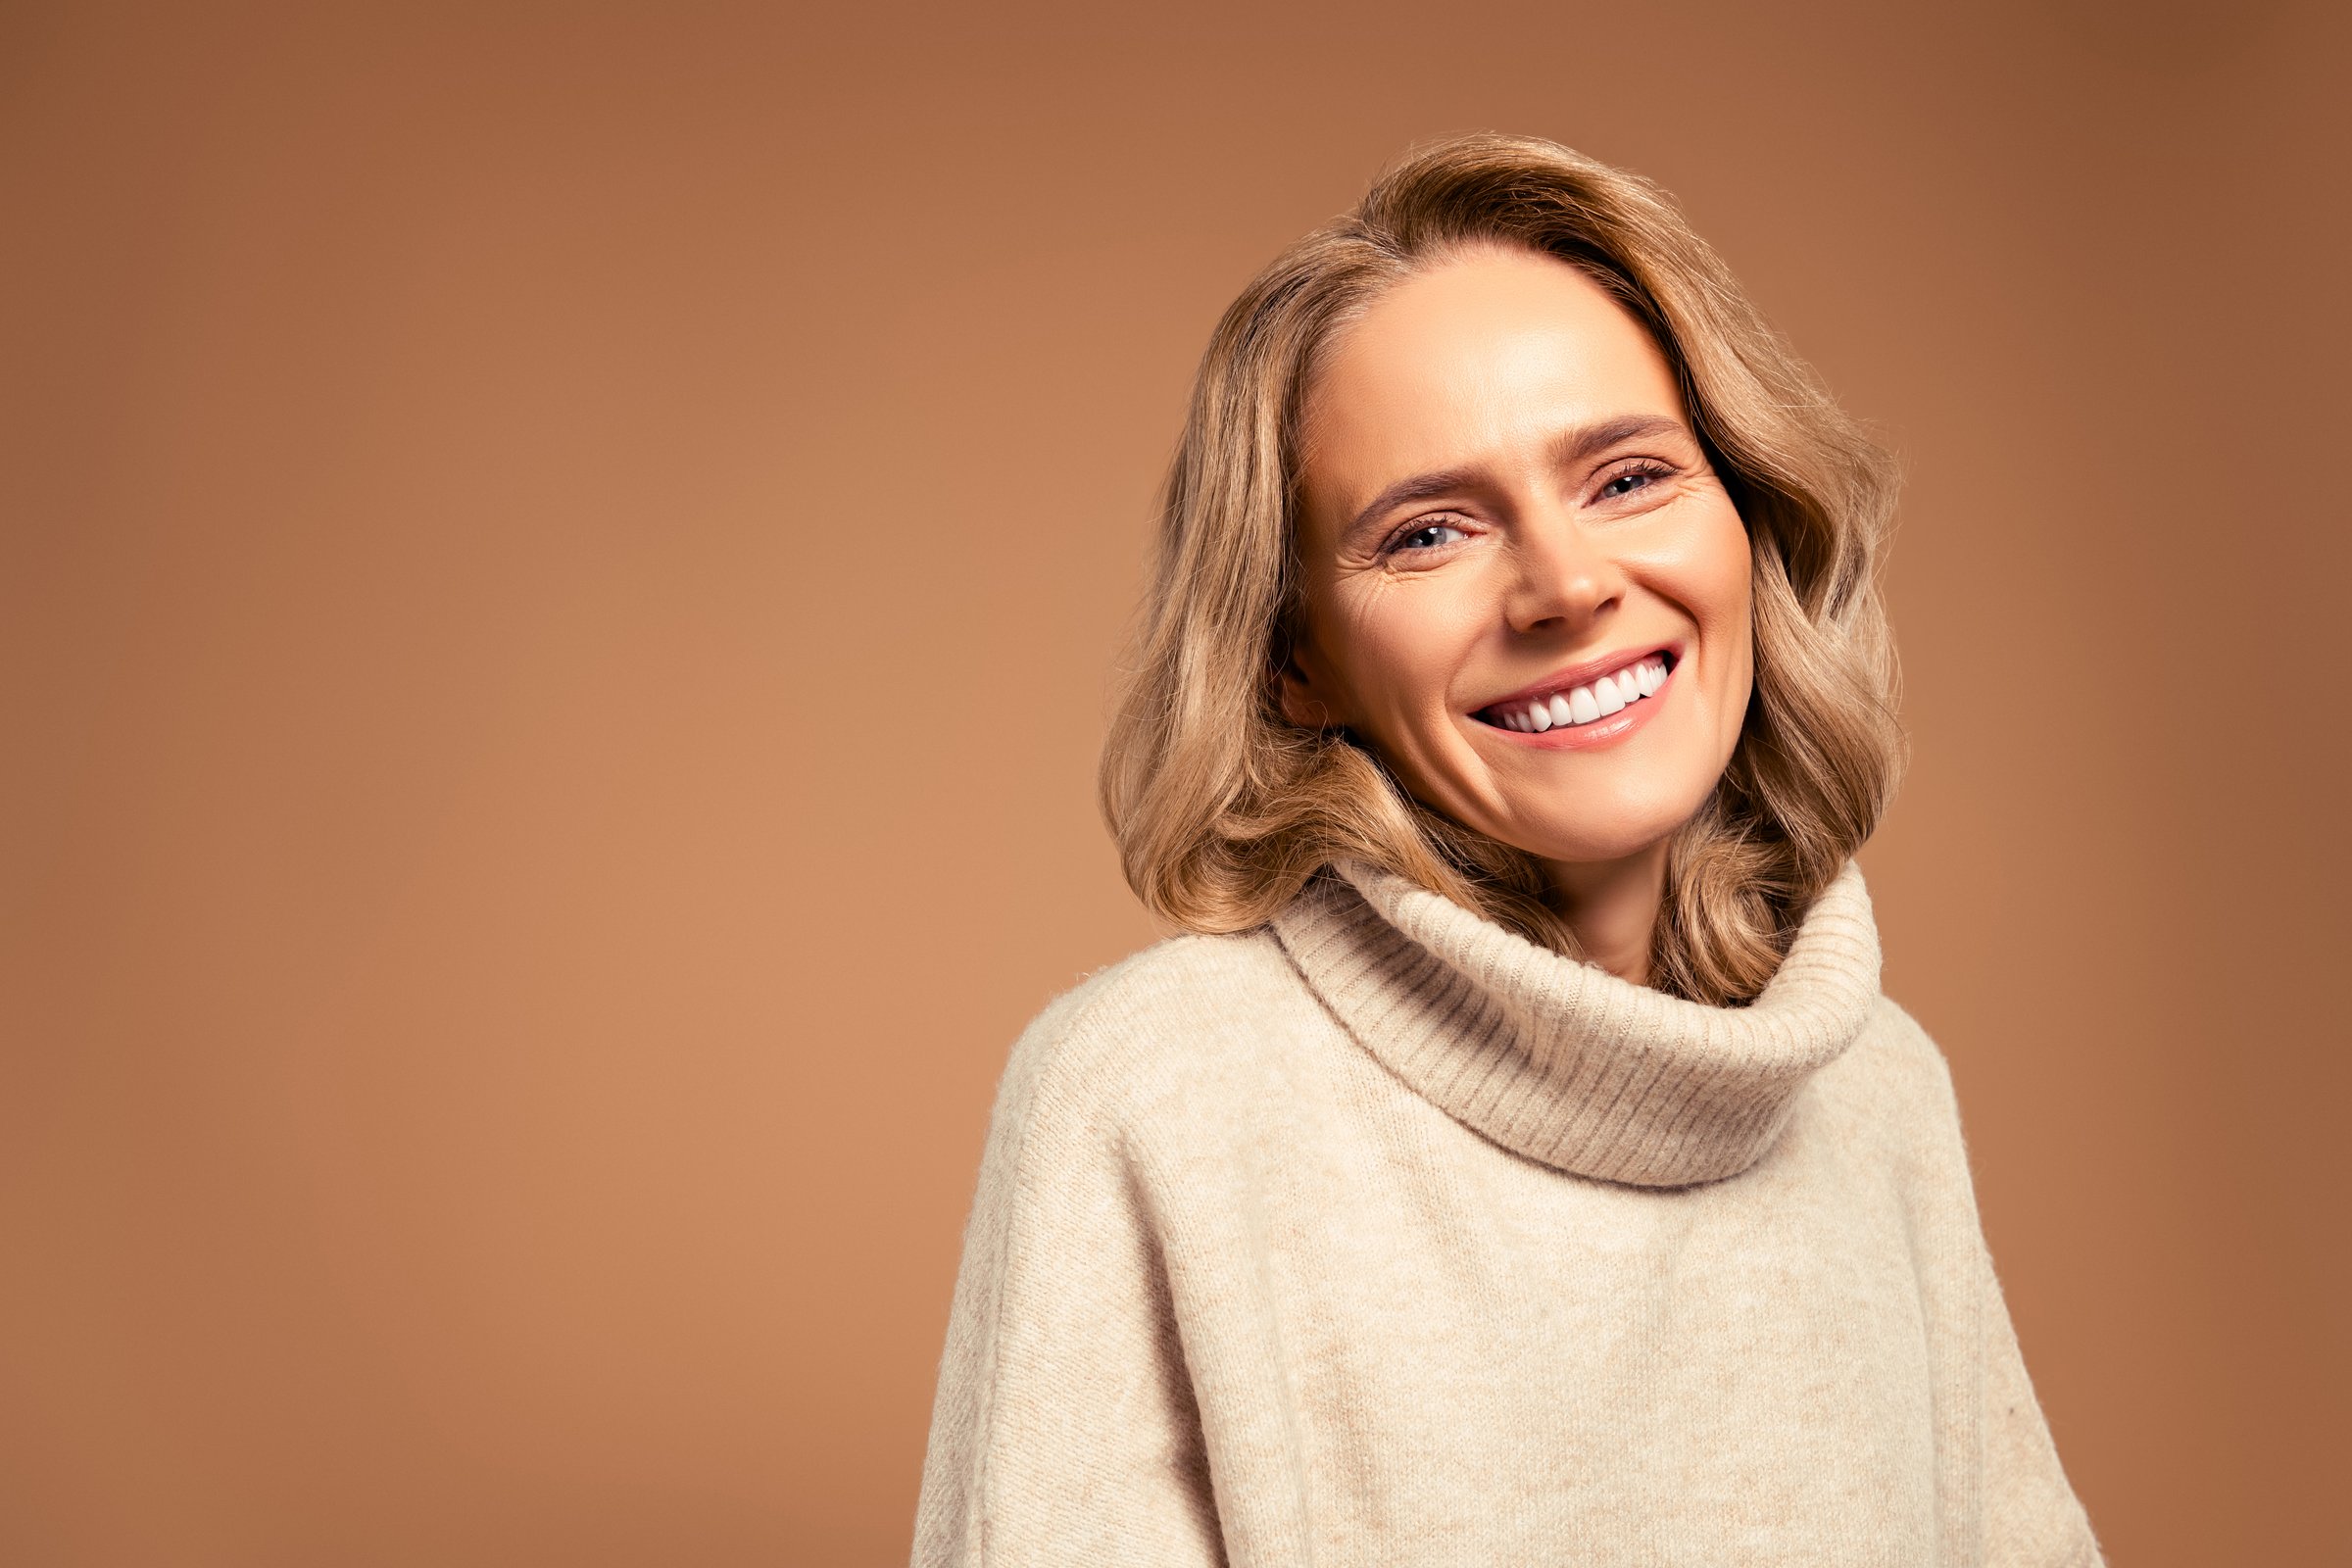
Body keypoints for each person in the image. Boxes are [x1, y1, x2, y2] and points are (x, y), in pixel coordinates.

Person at [910, 133, 2103, 1565]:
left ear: (1750, 519)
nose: (1567, 585)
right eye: (1428, 533)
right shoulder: (1148, 1103)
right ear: (1299, 665)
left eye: (1627, 477)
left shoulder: (1879, 1095)